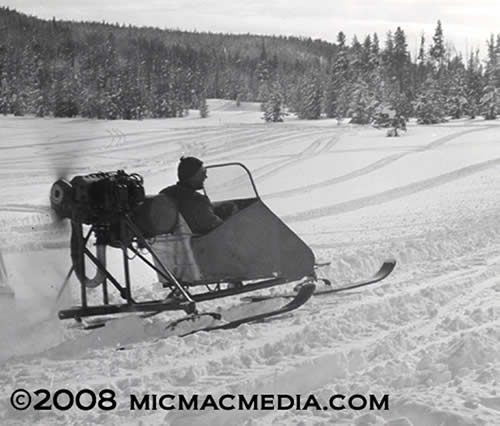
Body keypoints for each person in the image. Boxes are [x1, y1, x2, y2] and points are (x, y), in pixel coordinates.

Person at [161, 156, 233, 234]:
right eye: (202, 173)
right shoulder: (196, 201)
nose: (205, 177)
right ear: (191, 176)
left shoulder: (167, 193)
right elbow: (217, 227)